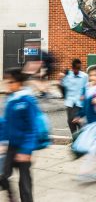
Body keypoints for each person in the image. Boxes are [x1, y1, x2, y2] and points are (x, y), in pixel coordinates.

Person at [0, 68, 38, 202]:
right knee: (3, 176)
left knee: (25, 184)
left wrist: (27, 150)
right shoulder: (10, 99)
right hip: (10, 146)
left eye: (11, 82)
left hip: (23, 147)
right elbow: (5, 123)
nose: (8, 85)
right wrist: (2, 142)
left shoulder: (27, 100)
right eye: (7, 82)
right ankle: (11, 197)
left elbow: (32, 128)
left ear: (19, 82)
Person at [62, 59, 88, 135]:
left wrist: (84, 95)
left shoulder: (84, 76)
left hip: (79, 102)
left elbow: (87, 87)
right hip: (69, 101)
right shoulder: (68, 75)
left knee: (76, 120)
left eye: (79, 69)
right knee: (70, 121)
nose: (77, 70)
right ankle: (75, 137)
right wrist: (62, 78)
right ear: (72, 68)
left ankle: (82, 136)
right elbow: (63, 85)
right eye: (76, 69)